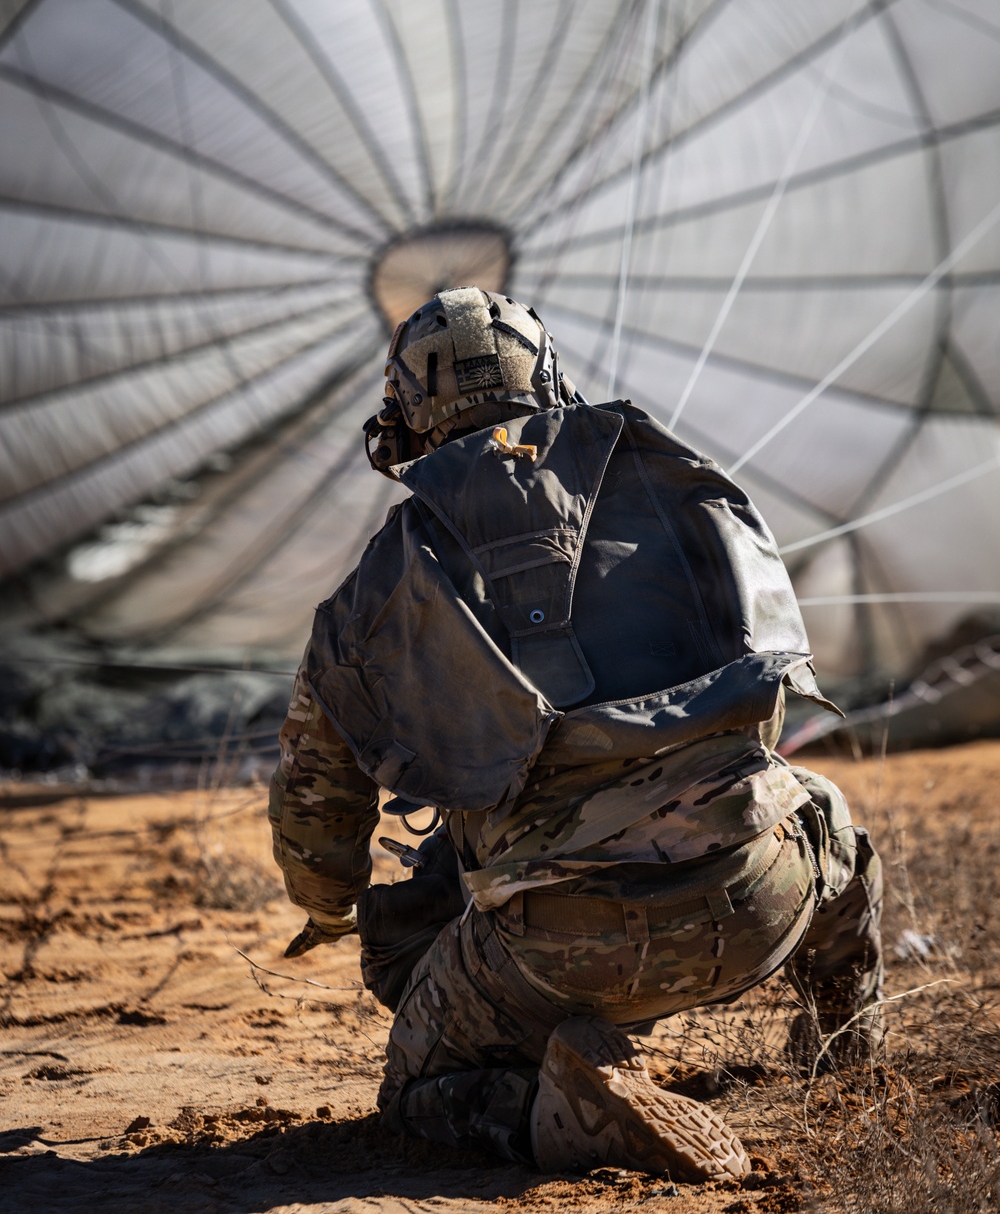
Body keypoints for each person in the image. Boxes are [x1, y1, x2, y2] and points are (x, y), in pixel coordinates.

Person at [269, 286, 883, 1183]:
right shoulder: (679, 488)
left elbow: (318, 819)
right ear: (549, 380)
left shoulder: (375, 591)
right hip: (762, 897)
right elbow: (766, 694)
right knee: (831, 820)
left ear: (402, 422)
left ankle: (562, 1114)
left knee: (418, 1087)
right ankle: (845, 1057)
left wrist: (329, 909)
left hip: (556, 949)